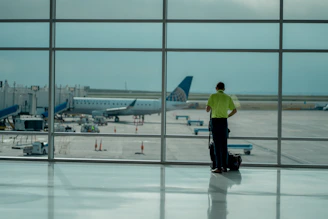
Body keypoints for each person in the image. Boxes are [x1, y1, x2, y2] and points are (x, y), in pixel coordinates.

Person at [206, 82, 237, 173]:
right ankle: (224, 166)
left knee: (217, 145)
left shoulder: (213, 96)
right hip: (224, 121)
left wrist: (212, 107)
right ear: (223, 89)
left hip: (215, 122)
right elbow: (234, 110)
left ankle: (218, 167)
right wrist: (228, 116)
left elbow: (207, 110)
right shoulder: (228, 97)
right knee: (224, 145)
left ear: (216, 88)